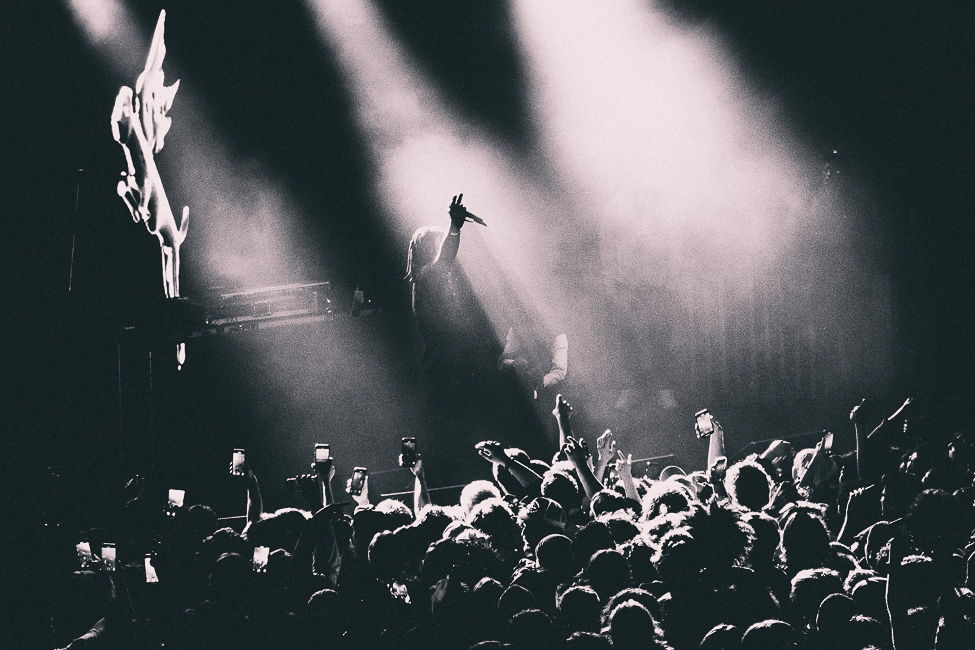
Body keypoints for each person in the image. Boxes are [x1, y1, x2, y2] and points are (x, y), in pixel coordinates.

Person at [406, 193, 497, 397]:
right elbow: (445, 258)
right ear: (428, 249)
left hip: (450, 369)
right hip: (446, 373)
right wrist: (454, 227)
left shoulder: (432, 280)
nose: (443, 245)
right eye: (439, 242)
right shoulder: (426, 277)